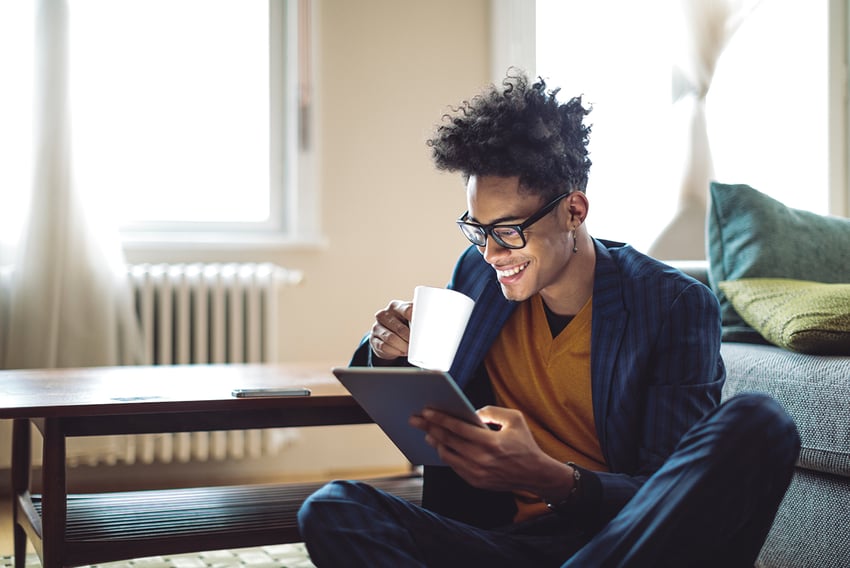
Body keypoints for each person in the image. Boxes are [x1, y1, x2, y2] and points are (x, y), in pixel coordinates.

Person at [297, 70, 800, 567]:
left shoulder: (671, 305)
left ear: (574, 211)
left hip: (614, 541)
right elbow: (429, 390)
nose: (493, 253)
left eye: (510, 231)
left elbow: (667, 494)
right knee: (335, 507)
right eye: (479, 230)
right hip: (499, 541)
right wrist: (384, 347)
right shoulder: (476, 275)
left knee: (761, 422)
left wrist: (549, 476)